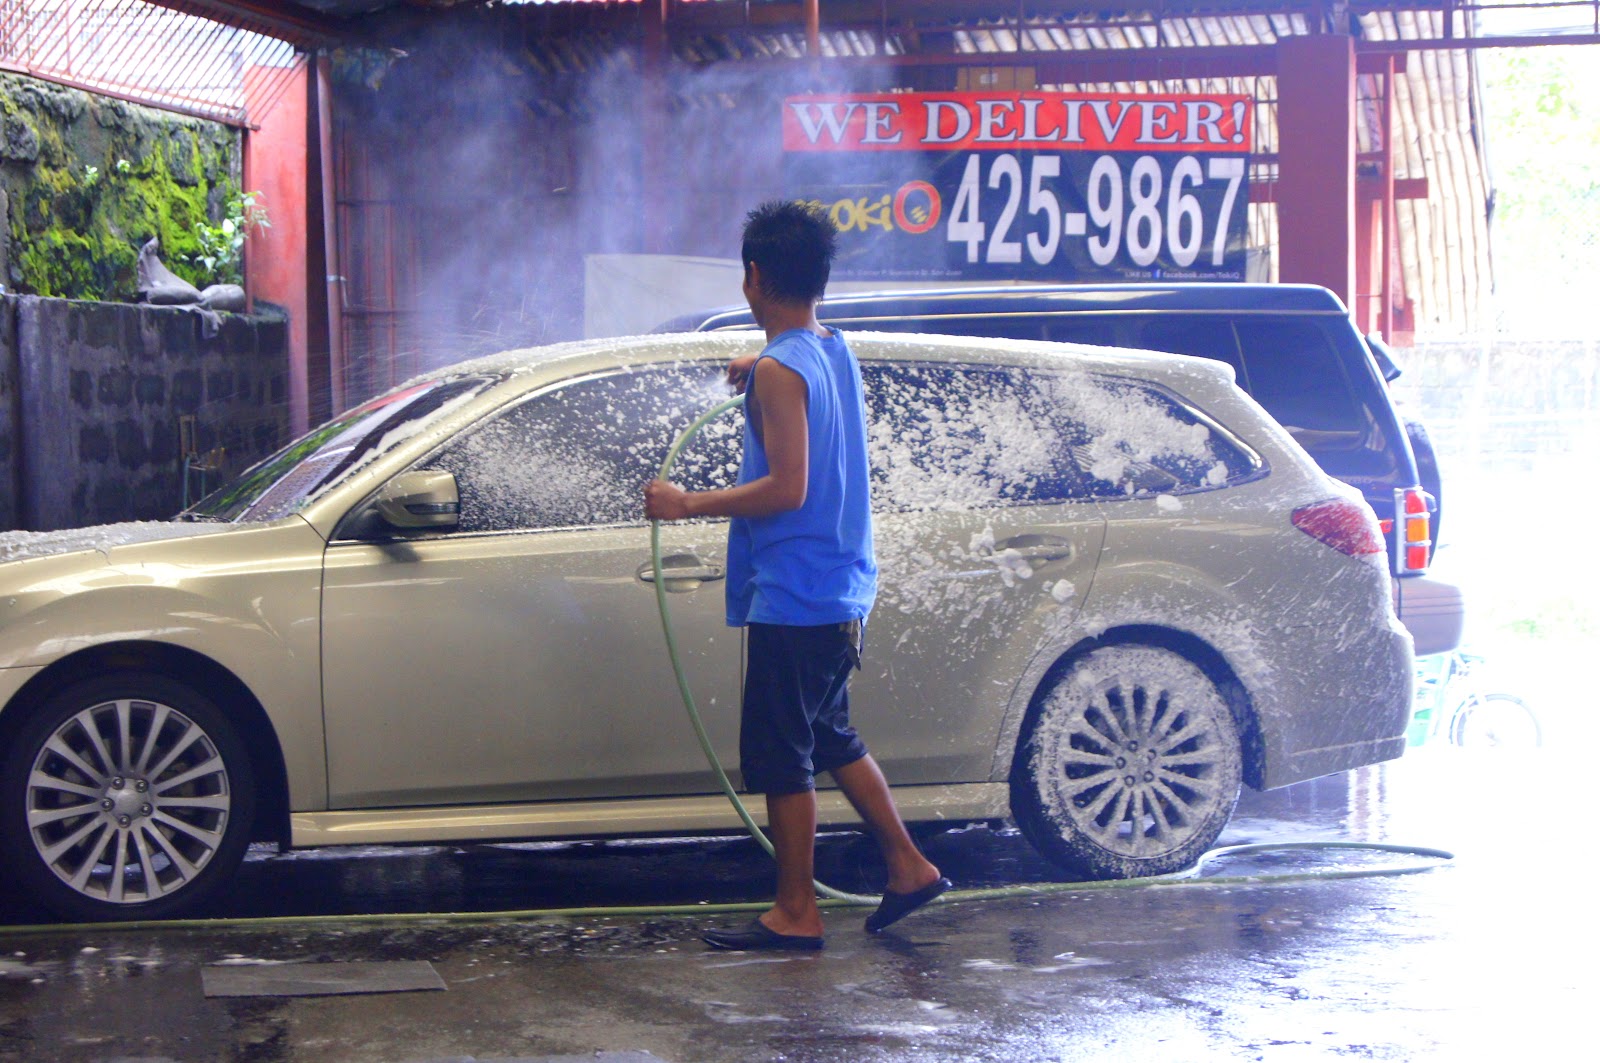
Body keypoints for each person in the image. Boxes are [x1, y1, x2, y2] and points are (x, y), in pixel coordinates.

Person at [644, 201, 949, 951]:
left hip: (798, 595)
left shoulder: (784, 368)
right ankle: (908, 865)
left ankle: (796, 911)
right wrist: (760, 363)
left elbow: (788, 489)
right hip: (838, 587)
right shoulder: (826, 345)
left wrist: (686, 504)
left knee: (786, 755)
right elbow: (798, 375)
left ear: (753, 276)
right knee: (831, 734)